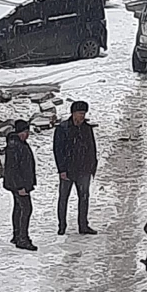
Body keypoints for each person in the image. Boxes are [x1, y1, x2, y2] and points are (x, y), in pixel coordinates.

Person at [53, 100, 98, 235]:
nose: (82, 116)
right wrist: (61, 169)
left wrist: (93, 165)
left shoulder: (87, 129)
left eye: (84, 113)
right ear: (73, 113)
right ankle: (62, 225)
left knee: (84, 197)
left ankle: (83, 225)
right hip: (68, 169)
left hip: (84, 169)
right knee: (63, 198)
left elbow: (92, 148)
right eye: (80, 113)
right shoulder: (63, 128)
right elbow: (58, 150)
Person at [3, 120, 37, 251]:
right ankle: (22, 238)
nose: (27, 135)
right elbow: (14, 169)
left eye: (28, 132)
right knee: (26, 209)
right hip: (19, 185)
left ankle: (17, 235)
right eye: (25, 132)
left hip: (18, 183)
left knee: (18, 208)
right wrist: (20, 187)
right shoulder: (15, 146)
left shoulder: (17, 144)